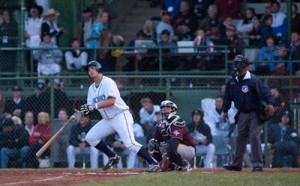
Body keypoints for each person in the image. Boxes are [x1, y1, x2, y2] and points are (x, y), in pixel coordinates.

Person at [78, 61, 160, 172]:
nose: (90, 70)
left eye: (93, 68)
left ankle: (154, 163)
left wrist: (93, 107)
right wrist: (82, 111)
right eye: (88, 69)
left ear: (99, 69)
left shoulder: (108, 82)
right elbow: (90, 106)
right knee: (90, 137)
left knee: (130, 144)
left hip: (121, 116)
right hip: (108, 120)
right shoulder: (91, 88)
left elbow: (111, 101)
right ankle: (113, 157)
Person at [222, 55, 275, 172]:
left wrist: (270, 103)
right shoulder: (231, 81)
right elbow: (227, 97)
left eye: (238, 64)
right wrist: (225, 110)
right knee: (240, 137)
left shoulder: (253, 80)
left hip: (255, 112)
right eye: (235, 64)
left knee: (254, 136)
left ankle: (257, 165)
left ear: (245, 66)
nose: (235, 66)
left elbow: (265, 92)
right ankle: (237, 164)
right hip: (242, 112)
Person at [148, 100, 195, 171]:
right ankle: (170, 166)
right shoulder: (160, 124)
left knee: (168, 146)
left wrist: (166, 157)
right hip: (174, 149)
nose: (164, 110)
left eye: (167, 108)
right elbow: (154, 141)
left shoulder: (177, 122)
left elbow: (174, 142)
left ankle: (184, 165)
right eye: (163, 108)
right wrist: (145, 153)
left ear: (173, 110)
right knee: (152, 144)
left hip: (188, 149)